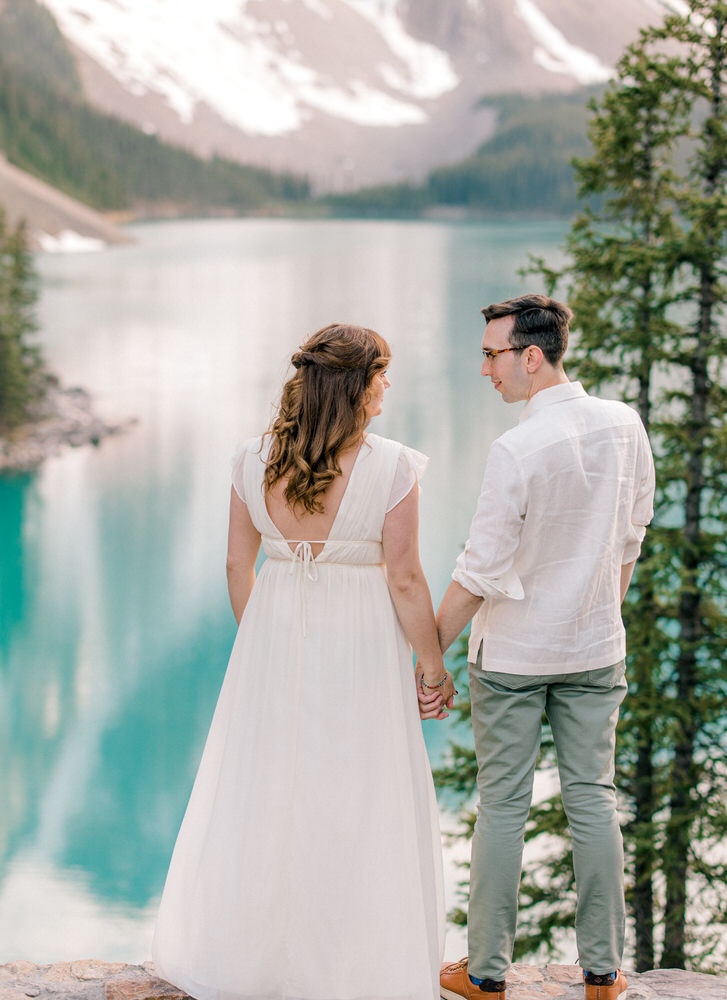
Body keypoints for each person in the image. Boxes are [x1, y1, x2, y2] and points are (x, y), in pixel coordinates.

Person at [153, 323, 452, 1000]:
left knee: (270, 792)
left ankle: (258, 961)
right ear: (356, 386)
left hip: (274, 631)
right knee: (358, 792)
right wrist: (431, 666)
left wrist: (264, 639)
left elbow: (238, 564)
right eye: (381, 375)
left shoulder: (251, 460)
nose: (387, 388)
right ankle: (351, 966)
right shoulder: (394, 468)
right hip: (363, 643)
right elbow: (404, 579)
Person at [428, 295, 654, 1000]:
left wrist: (429, 653)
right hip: (594, 648)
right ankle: (603, 974)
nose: (486, 371)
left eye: (492, 356)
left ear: (531, 357)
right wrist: (595, 616)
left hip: (516, 660)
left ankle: (488, 973)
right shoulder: (625, 426)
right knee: (593, 798)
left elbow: (478, 569)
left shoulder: (517, 448)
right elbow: (632, 537)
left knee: (503, 806)